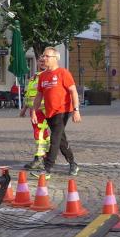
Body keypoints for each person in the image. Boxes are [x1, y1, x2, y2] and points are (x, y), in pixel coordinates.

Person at [30, 48, 81, 179]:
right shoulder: (42, 76)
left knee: (54, 139)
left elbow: (73, 91)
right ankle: (73, 163)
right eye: (43, 56)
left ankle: (47, 169)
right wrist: (34, 111)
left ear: (55, 58)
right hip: (49, 112)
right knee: (61, 140)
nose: (44, 58)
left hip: (63, 111)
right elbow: (39, 96)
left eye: (47, 56)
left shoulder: (63, 73)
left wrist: (76, 110)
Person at [20, 64, 51, 170]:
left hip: (43, 109)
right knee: (43, 134)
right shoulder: (34, 77)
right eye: (40, 59)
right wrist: (24, 109)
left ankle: (40, 158)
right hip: (34, 110)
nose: (42, 62)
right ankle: (46, 155)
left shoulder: (47, 76)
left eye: (45, 58)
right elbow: (28, 94)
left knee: (39, 133)